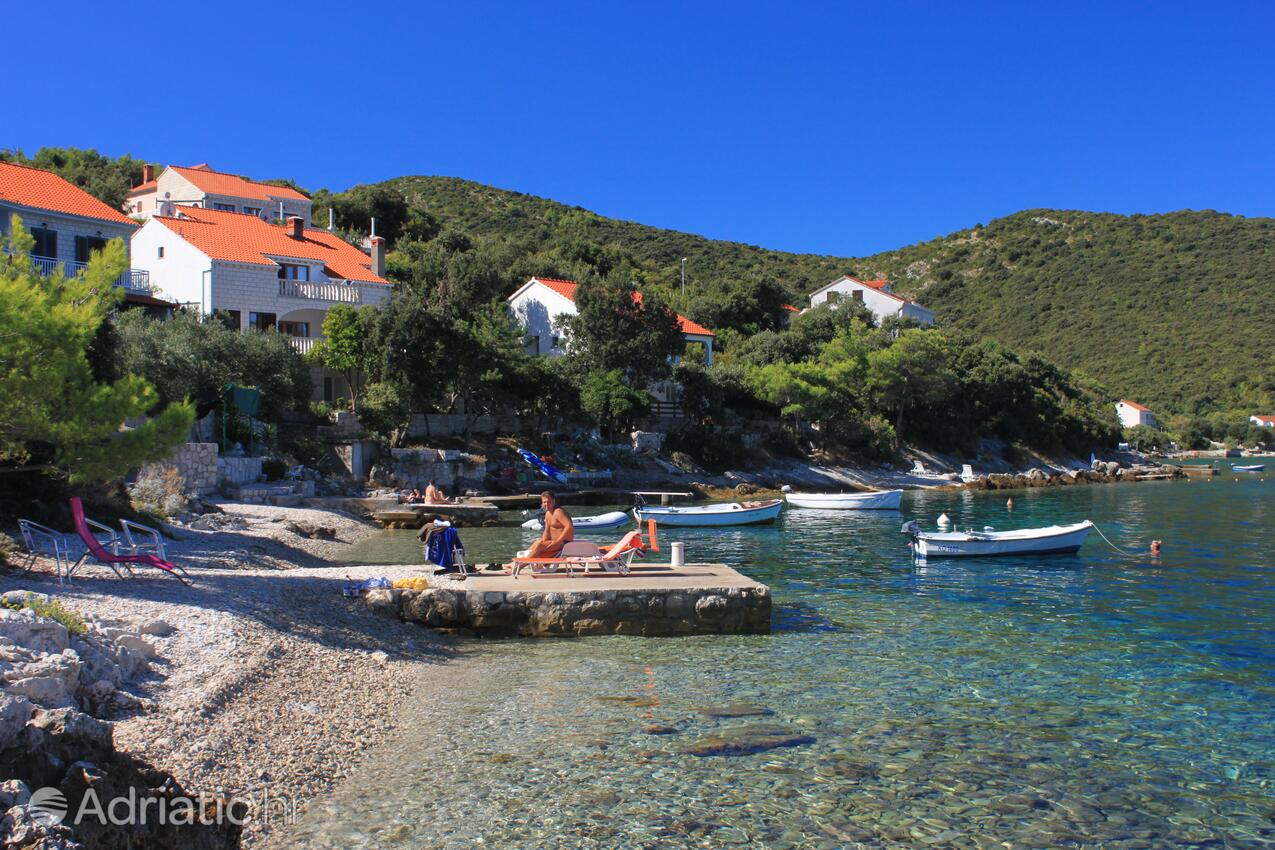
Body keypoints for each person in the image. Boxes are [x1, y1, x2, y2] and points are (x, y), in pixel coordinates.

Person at [525, 491, 573, 558]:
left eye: (549, 502)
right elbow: (547, 531)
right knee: (537, 542)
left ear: (554, 501)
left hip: (564, 543)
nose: (546, 504)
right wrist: (543, 541)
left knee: (539, 545)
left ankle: (519, 565)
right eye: (544, 502)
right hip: (553, 541)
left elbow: (569, 526)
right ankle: (519, 562)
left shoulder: (558, 512)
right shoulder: (548, 513)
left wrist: (558, 541)